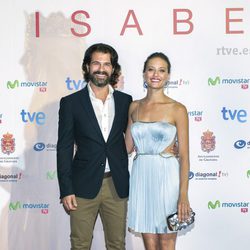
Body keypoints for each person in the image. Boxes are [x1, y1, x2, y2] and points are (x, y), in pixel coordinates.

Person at [56, 43, 132, 250]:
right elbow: (64, 147)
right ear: (87, 67)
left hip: (116, 184)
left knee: (117, 244)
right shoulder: (71, 103)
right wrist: (66, 189)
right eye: (96, 63)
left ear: (113, 69)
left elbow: (135, 137)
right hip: (81, 186)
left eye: (107, 64)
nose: (101, 68)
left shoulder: (126, 101)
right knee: (80, 244)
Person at [125, 52, 191, 250]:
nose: (156, 74)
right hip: (142, 177)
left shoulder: (177, 109)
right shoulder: (134, 107)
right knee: (150, 245)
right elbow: (127, 147)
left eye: (162, 70)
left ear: (168, 75)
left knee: (167, 242)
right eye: (151, 69)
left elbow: (185, 156)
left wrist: (183, 195)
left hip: (167, 178)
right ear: (144, 74)